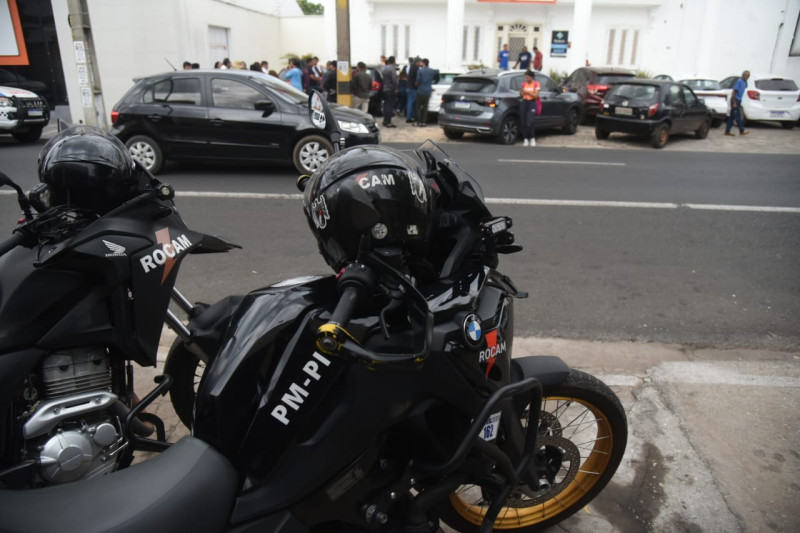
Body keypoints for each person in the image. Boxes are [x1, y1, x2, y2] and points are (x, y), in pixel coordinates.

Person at [414, 58, 439, 127]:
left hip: (420, 90)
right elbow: (437, 72)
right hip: (428, 91)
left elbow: (418, 80)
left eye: (421, 62)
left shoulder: (420, 71)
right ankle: (424, 122)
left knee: (418, 107)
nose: (420, 63)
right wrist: (436, 81)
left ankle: (419, 121)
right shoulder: (431, 71)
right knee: (425, 107)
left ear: (424, 63)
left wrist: (416, 84)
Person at [725, 70, 750, 136]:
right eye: (745, 75)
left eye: (748, 76)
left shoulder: (745, 82)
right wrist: (734, 102)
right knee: (738, 116)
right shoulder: (739, 81)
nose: (746, 77)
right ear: (742, 75)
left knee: (732, 117)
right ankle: (742, 130)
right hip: (735, 99)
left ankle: (727, 131)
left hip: (739, 100)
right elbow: (734, 92)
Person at [519, 70, 540, 147]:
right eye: (525, 78)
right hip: (525, 102)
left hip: (532, 102)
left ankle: (532, 138)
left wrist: (527, 92)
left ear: (532, 77)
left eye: (528, 77)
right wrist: (522, 91)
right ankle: (525, 139)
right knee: (523, 121)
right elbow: (521, 94)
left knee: (529, 121)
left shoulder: (536, 84)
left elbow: (536, 95)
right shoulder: (524, 84)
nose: (526, 79)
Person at [381, 56, 399, 127]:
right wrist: (396, 88)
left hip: (384, 89)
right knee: (389, 106)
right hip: (390, 89)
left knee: (386, 105)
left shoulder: (384, 68)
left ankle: (385, 121)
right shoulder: (392, 69)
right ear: (394, 61)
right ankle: (389, 122)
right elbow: (394, 79)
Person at [406, 57, 421, 123]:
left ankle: (411, 116)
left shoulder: (411, 67)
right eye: (420, 62)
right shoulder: (416, 68)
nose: (421, 63)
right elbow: (417, 79)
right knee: (411, 103)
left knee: (410, 102)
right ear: (417, 62)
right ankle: (409, 117)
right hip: (413, 88)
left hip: (409, 87)